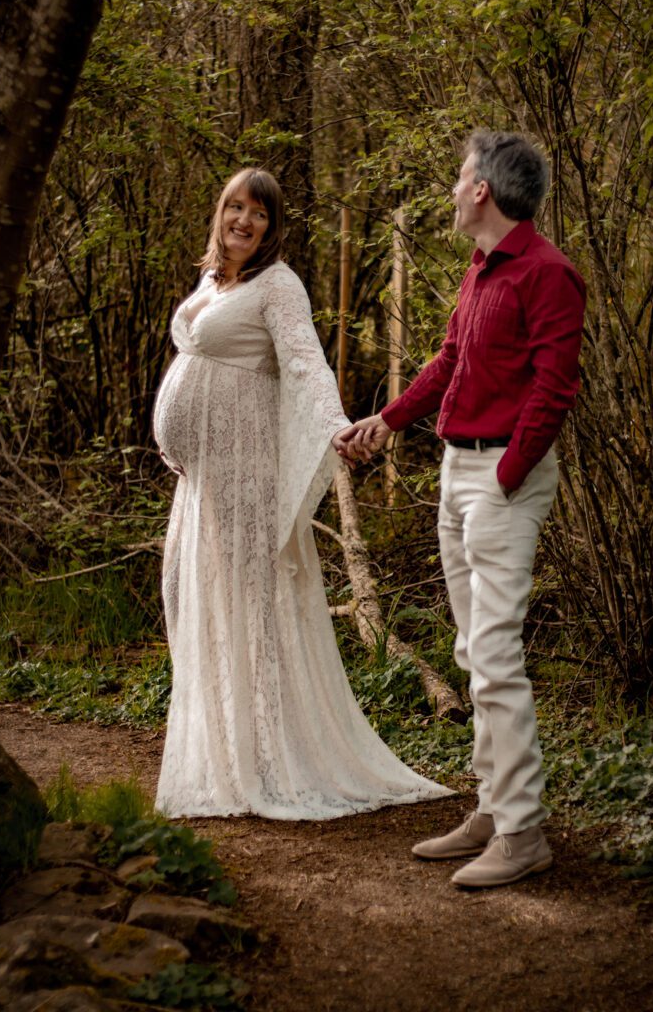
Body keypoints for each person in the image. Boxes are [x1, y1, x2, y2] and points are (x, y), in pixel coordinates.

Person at [152, 168, 451, 820]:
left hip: (244, 473)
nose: (243, 221)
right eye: (234, 206)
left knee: (252, 602)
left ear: (271, 225)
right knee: (211, 601)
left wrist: (339, 426)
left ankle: (268, 754)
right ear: (219, 210)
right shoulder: (214, 280)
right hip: (203, 480)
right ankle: (228, 753)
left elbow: (306, 361)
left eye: (257, 213)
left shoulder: (278, 286)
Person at [339, 131, 586, 886]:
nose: (451, 189)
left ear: (482, 190)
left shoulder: (549, 274)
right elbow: (450, 360)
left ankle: (522, 833)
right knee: (473, 653)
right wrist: (389, 420)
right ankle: (492, 807)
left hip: (503, 479)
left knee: (498, 658)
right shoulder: (482, 270)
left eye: (458, 177)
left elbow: (555, 386)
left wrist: (509, 472)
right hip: (458, 471)